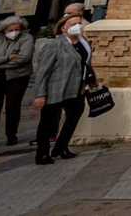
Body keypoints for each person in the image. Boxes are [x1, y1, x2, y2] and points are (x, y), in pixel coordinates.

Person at [29, 12, 91, 165]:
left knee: (73, 118)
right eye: (73, 24)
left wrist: (92, 80)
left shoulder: (84, 44)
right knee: (47, 122)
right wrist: (40, 94)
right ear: (63, 28)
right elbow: (43, 71)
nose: (78, 26)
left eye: (79, 23)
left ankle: (61, 146)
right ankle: (42, 153)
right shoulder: (53, 45)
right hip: (56, 88)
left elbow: (86, 64)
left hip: (77, 89)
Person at [0, 15, 33, 149]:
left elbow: (24, 58)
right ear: (4, 30)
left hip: (17, 77)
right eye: (11, 29)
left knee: (12, 106)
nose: (14, 32)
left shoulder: (26, 38)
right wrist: (8, 58)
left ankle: (11, 135)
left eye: (17, 29)